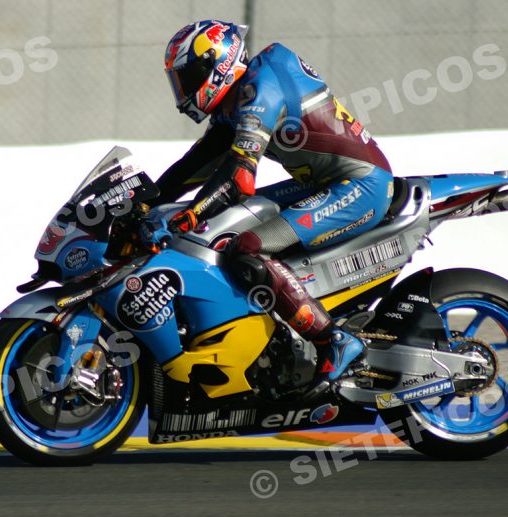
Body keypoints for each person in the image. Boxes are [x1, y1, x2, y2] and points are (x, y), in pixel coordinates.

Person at [157, 20, 395, 390]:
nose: (184, 88)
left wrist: (191, 214)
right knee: (222, 228)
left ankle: (333, 340)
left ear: (218, 63)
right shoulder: (235, 99)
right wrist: (143, 203)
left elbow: (239, 180)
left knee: (247, 247)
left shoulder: (259, 90)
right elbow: (194, 166)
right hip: (320, 184)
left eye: (188, 76)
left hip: (361, 186)